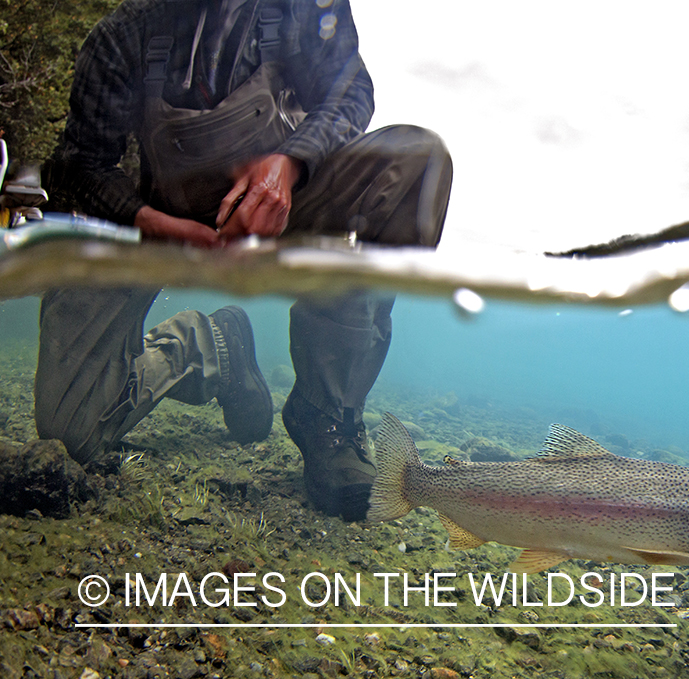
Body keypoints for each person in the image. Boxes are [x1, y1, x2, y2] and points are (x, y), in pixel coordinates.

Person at [37, 0, 452, 521]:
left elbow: (350, 93)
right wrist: (147, 220)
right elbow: (77, 164)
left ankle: (327, 415)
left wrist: (289, 163)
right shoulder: (124, 33)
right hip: (165, 225)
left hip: (297, 205)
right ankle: (205, 345)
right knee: (69, 433)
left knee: (418, 158)